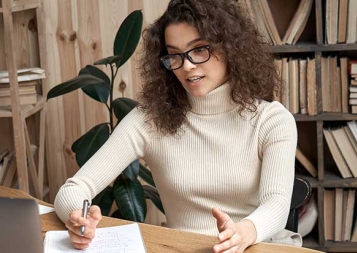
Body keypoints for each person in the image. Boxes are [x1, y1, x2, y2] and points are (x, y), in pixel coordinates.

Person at [54, 0, 299, 252]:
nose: (188, 65)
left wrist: (244, 232)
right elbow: (74, 189)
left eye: (199, 49)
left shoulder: (271, 121)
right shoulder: (150, 119)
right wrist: (77, 219)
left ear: (230, 47)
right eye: (174, 55)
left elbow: (277, 204)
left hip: (251, 247)